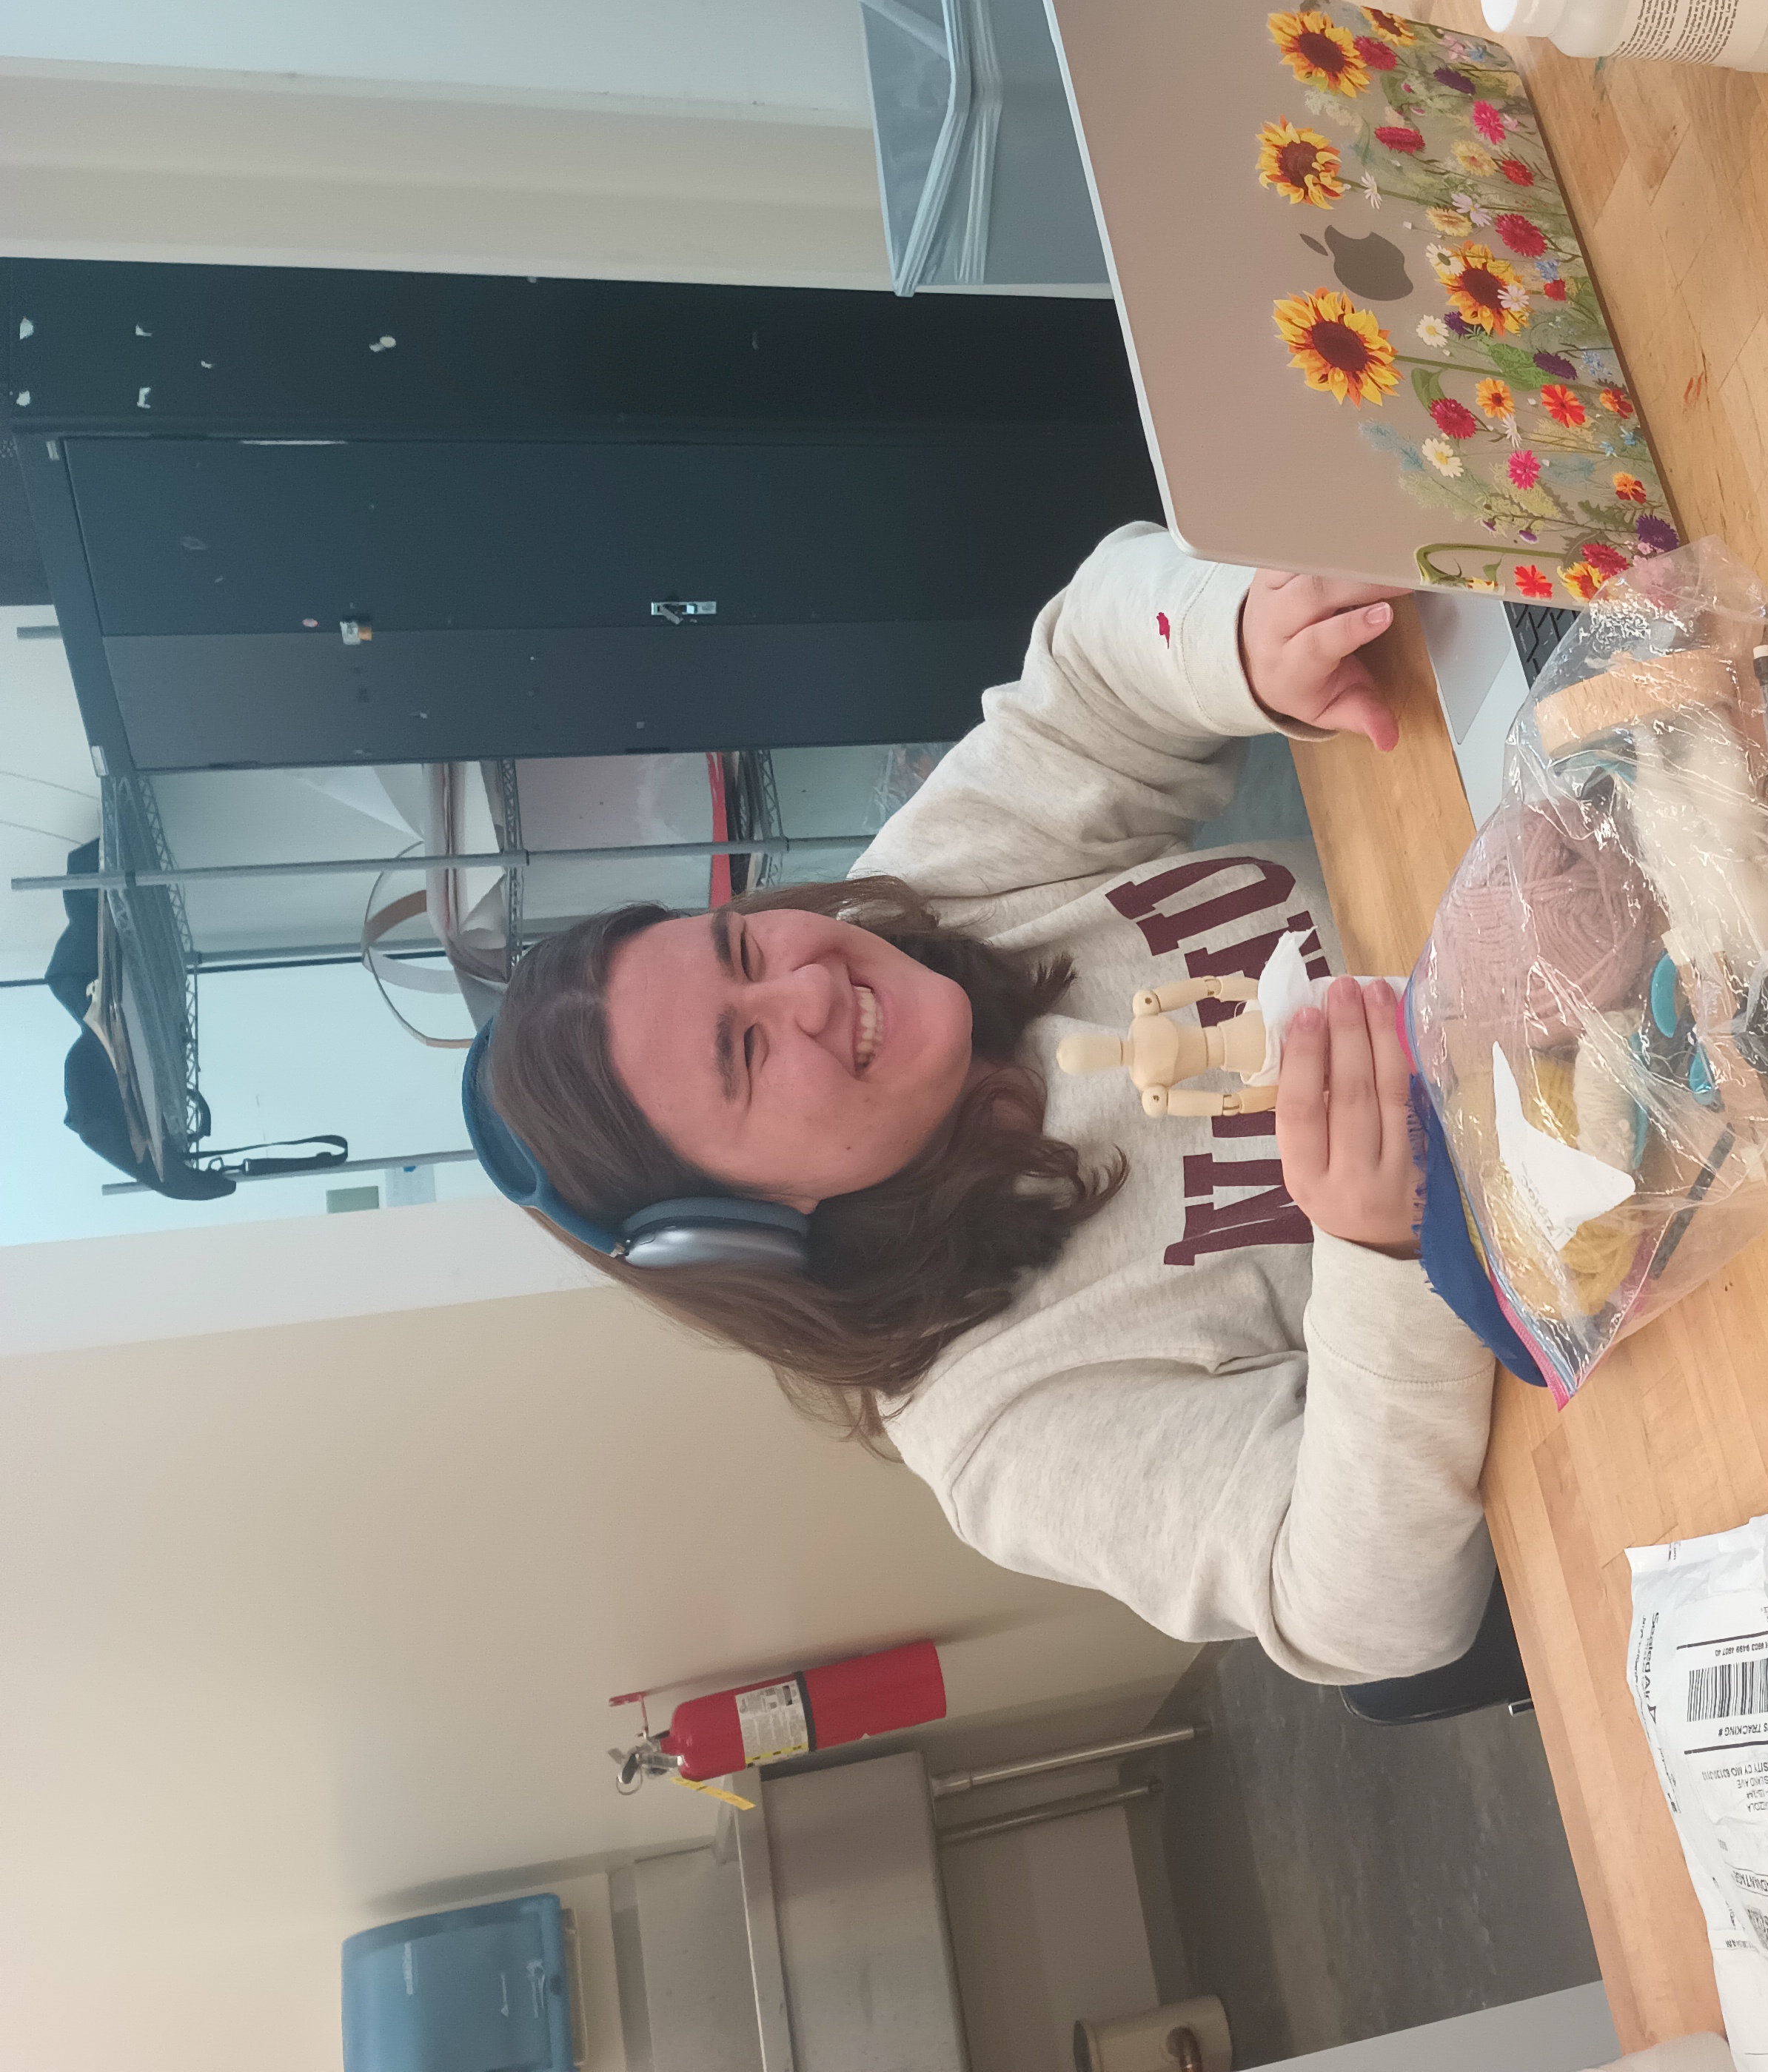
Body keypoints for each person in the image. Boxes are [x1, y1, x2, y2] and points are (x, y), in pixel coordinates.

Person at [470, 525, 1500, 1684]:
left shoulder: (929, 899)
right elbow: (1363, 1614)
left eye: (744, 944)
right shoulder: (1003, 1427)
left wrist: (1235, 642)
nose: (813, 983)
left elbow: (1094, 667)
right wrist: (1378, 1251)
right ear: (754, 1222)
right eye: (747, 1054)